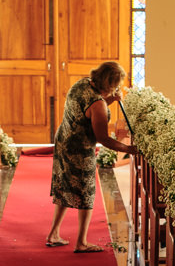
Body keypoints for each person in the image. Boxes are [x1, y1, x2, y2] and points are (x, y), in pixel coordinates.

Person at [46, 60, 137, 252]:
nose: (116, 89)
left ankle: (53, 234)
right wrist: (128, 149)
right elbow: (103, 138)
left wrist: (111, 100)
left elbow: (85, 108)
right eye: (115, 85)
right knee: (86, 194)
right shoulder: (98, 104)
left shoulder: (82, 84)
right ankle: (81, 242)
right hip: (80, 150)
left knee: (64, 187)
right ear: (109, 84)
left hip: (64, 141)